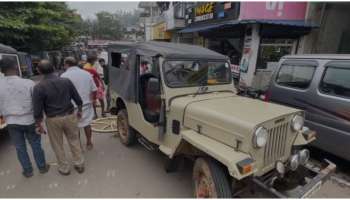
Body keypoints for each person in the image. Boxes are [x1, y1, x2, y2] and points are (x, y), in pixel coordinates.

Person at [33, 60, 85, 176]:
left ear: (39, 71)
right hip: (70, 115)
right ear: (53, 68)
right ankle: (79, 164)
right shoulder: (66, 81)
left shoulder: (39, 87)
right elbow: (78, 98)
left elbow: (37, 109)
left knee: (57, 144)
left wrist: (38, 124)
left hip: (53, 119)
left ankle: (64, 169)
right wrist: (80, 110)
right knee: (74, 140)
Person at [0, 58, 49, 178]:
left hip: (11, 121)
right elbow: (36, 104)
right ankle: (42, 167)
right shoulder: (28, 83)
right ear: (15, 68)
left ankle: (27, 171)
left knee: (20, 147)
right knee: (35, 144)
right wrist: (39, 121)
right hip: (29, 120)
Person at [61, 57, 97, 150]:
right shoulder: (86, 74)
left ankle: (78, 146)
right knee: (87, 124)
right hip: (86, 104)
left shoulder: (64, 76)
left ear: (67, 64)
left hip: (71, 106)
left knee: (74, 127)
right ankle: (89, 142)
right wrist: (93, 100)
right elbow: (94, 89)